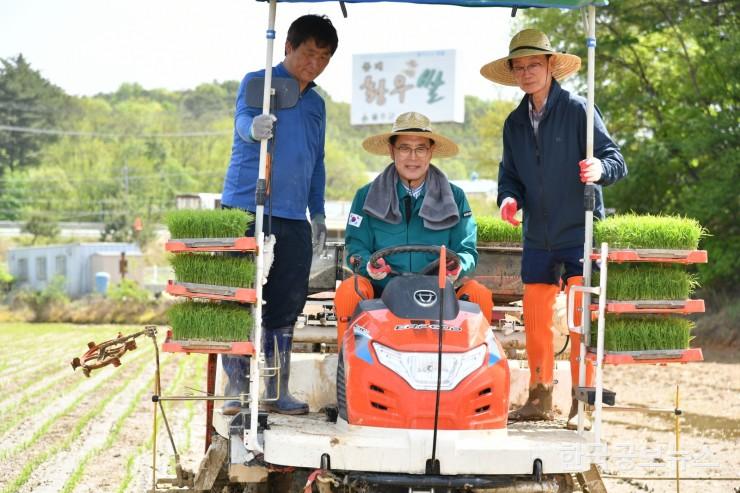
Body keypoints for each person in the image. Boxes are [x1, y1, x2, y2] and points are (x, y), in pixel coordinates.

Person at [480, 29, 627, 428]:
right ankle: (540, 395)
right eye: (520, 67)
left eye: (534, 65)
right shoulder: (513, 124)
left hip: (578, 228)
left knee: (580, 318)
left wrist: (600, 169)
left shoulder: (579, 109)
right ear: (513, 73)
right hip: (537, 236)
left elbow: (615, 158)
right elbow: (508, 175)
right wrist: (509, 199)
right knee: (535, 317)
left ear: (549, 66)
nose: (527, 72)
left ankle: (584, 400)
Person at [220, 14, 338, 416]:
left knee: (287, 301)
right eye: (308, 53)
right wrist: (252, 128)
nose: (314, 63)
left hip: (293, 216)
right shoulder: (259, 82)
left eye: (323, 57)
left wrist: (318, 211)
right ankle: (237, 391)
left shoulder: (318, 104)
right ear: (287, 48)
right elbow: (240, 121)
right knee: (243, 298)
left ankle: (274, 391)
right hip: (248, 205)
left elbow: (316, 160)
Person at [334, 112, 493, 344]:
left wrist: (456, 265)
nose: (413, 157)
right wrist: (369, 265)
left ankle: (472, 366)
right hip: (383, 292)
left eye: (420, 149)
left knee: (479, 293)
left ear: (431, 152)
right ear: (392, 151)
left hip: (439, 292)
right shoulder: (365, 196)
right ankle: (348, 366)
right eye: (404, 148)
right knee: (349, 291)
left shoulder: (456, 197)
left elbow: (467, 251)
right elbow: (356, 247)